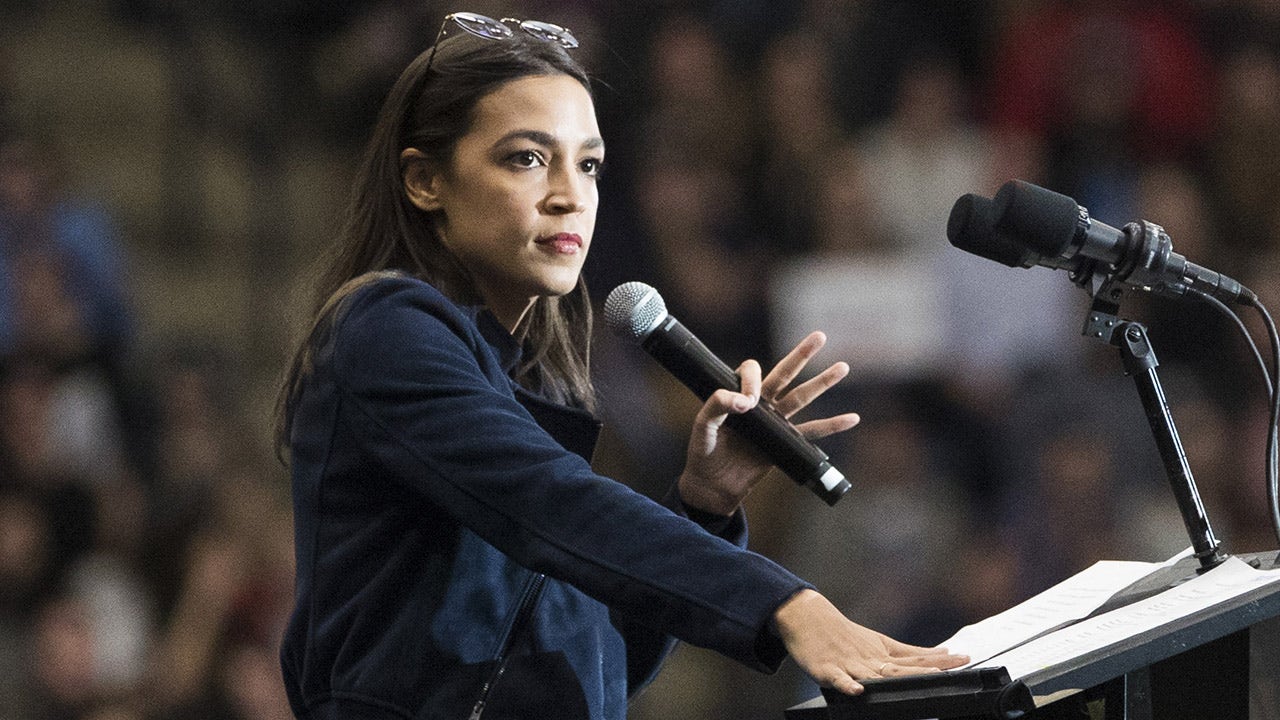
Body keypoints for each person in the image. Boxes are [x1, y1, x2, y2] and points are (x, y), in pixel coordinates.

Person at [274, 12, 967, 720]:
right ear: (425, 180)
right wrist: (784, 600)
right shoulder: (386, 332)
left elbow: (598, 667)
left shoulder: (530, 378)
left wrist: (705, 501)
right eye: (526, 158)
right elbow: (555, 505)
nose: (569, 193)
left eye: (589, 164)